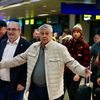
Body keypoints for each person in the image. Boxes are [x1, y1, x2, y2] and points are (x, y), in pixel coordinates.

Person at [0, 24, 91, 100]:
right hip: (34, 90)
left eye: (47, 33)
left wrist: (83, 71)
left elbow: (72, 63)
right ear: (39, 35)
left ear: (51, 34)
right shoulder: (33, 47)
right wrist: (1, 64)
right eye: (42, 33)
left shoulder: (60, 49)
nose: (44, 36)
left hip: (52, 91)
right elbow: (17, 59)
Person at [0, 21, 30, 100]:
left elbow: (28, 66)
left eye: (13, 29)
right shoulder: (2, 43)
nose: (10, 32)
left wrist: (23, 83)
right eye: (8, 29)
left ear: (19, 31)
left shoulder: (26, 45)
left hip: (16, 85)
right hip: (1, 84)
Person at [64, 23, 91, 100]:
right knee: (68, 91)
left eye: (77, 32)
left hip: (76, 73)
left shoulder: (85, 45)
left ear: (80, 33)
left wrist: (79, 74)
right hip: (66, 71)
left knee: (73, 92)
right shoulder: (69, 42)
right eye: (74, 32)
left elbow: (86, 62)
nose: (75, 33)